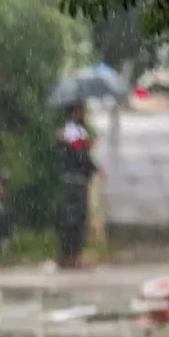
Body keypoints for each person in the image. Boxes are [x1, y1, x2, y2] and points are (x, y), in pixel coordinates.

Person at [57, 102, 105, 269]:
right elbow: (79, 155)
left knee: (76, 218)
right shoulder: (70, 131)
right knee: (74, 219)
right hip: (74, 180)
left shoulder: (76, 131)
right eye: (80, 110)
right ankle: (69, 256)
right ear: (74, 112)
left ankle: (71, 254)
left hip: (77, 180)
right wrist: (85, 146)